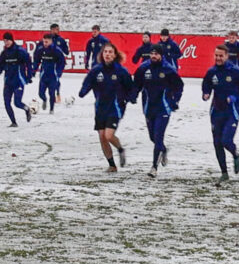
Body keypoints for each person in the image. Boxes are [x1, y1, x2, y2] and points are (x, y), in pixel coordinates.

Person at [79, 42, 136, 172]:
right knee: (101, 137)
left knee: (108, 135)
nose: (108, 54)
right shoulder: (96, 70)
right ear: (102, 54)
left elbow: (130, 87)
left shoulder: (121, 71)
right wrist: (83, 91)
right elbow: (88, 82)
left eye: (110, 52)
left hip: (116, 108)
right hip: (100, 108)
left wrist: (131, 98)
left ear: (115, 55)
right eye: (105, 52)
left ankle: (120, 149)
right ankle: (112, 165)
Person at [201, 44, 239, 184]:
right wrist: (205, 94)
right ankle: (224, 173)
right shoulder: (211, 72)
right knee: (217, 143)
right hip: (216, 112)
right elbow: (206, 86)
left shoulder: (236, 72)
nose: (218, 58)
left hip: (232, 112)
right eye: (216, 55)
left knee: (226, 141)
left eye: (221, 56)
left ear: (227, 56)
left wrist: (235, 97)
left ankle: (235, 154)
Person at [133, 45, 184, 178]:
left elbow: (179, 86)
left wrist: (175, 101)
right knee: (153, 137)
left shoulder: (168, 69)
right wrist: (132, 96)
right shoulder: (144, 68)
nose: (154, 56)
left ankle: (154, 167)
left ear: (161, 55)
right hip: (149, 107)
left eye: (156, 54)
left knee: (158, 135)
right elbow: (136, 85)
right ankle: (163, 149)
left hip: (164, 108)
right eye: (152, 54)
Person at [0, 32, 33, 127]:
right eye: (4, 41)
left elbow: (29, 63)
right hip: (8, 81)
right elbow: (0, 67)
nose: (6, 43)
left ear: (12, 40)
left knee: (17, 102)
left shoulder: (20, 51)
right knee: (6, 102)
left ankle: (27, 109)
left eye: (8, 40)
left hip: (18, 81)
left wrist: (29, 76)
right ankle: (13, 122)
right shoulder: (4, 53)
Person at [33, 34, 66, 114]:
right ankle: (44, 99)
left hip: (53, 76)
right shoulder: (40, 50)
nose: (45, 43)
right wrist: (34, 70)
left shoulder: (56, 50)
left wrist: (58, 72)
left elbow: (62, 62)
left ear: (51, 41)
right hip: (44, 75)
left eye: (46, 42)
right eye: (44, 42)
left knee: (51, 93)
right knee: (40, 93)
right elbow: (36, 60)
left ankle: (51, 109)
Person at [50, 23, 70, 102]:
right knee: (50, 79)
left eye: (58, 29)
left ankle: (57, 94)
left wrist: (65, 48)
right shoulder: (48, 39)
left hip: (59, 63)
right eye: (56, 29)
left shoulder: (61, 40)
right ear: (51, 30)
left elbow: (67, 52)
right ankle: (52, 94)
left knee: (56, 78)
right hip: (50, 62)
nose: (58, 31)